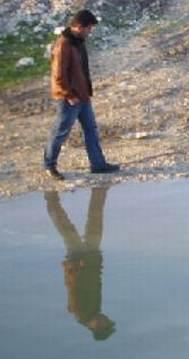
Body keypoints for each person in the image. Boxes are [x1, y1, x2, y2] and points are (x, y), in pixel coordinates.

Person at [43, 9, 119, 180]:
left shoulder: (77, 42)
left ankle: (98, 165)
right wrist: (68, 95)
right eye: (88, 28)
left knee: (91, 129)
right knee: (60, 132)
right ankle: (49, 165)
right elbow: (58, 75)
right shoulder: (64, 44)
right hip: (69, 98)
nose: (90, 32)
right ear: (79, 26)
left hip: (82, 96)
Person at [45, 187, 116, 340]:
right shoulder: (94, 310)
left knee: (65, 226)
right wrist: (97, 263)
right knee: (95, 222)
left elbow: (71, 287)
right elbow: (96, 281)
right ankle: (99, 190)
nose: (106, 319)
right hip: (92, 259)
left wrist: (73, 267)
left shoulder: (79, 312)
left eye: (106, 323)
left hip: (78, 260)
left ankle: (50, 197)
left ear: (97, 327)